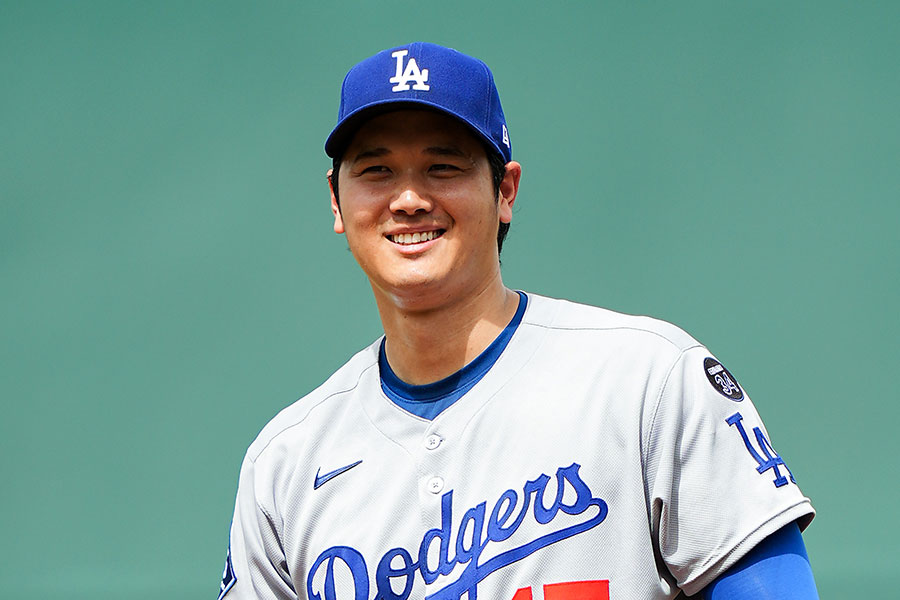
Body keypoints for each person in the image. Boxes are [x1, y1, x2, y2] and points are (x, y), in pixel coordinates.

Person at [219, 42, 817, 600]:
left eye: (443, 166)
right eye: (376, 170)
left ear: (505, 190)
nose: (408, 199)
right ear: (336, 201)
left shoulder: (648, 381)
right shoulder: (285, 465)